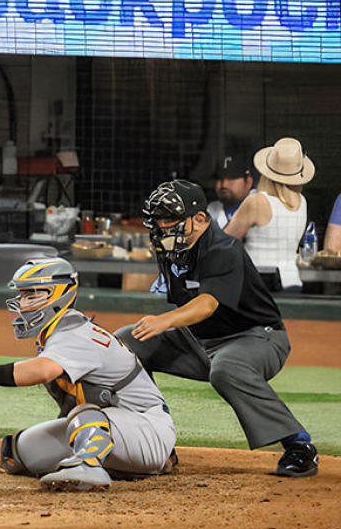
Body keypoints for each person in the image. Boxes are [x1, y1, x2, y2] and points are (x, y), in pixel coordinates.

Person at [0, 257, 176, 491]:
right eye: (21, 295)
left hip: (147, 430)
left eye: (32, 295)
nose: (22, 303)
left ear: (59, 296)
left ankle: (90, 467)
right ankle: (114, 463)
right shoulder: (55, 337)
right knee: (19, 451)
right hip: (117, 429)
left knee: (85, 416)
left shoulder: (76, 333)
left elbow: (41, 370)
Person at [117, 179, 317, 477]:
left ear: (199, 219)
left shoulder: (224, 248)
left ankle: (299, 446)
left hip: (257, 338)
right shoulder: (174, 248)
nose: (161, 228)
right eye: (158, 221)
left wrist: (164, 321)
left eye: (169, 220)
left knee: (226, 368)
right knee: (125, 344)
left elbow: (208, 304)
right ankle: (156, 441)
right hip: (201, 341)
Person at [224, 138, 314, 291]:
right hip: (291, 279)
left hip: (257, 282)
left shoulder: (257, 201)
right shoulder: (301, 202)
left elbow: (226, 242)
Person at [206, 152, 254, 228]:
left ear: (248, 182)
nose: (224, 185)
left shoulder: (260, 204)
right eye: (219, 178)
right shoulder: (212, 209)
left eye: (231, 178)